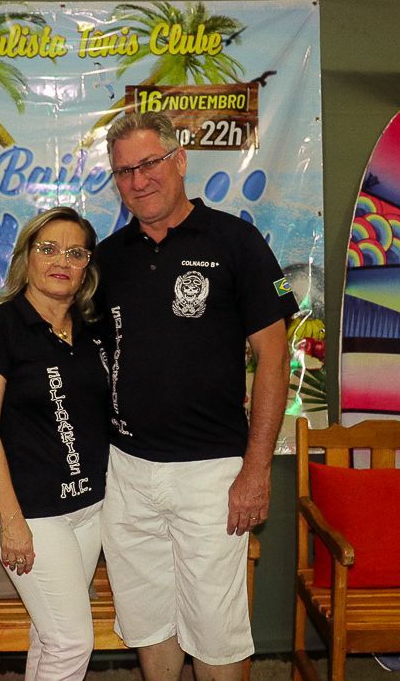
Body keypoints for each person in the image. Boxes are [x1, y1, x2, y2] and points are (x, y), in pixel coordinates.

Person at [95, 111, 299, 680]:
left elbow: (274, 357)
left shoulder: (237, 241)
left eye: (149, 164)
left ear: (180, 160)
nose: (138, 180)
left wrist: (256, 470)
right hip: (127, 472)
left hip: (212, 475)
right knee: (148, 621)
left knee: (216, 630)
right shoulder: (108, 259)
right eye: (124, 171)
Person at [0, 206, 109, 680]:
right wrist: (12, 521)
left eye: (75, 253)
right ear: (27, 257)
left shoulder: (93, 330)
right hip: (31, 513)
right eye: (48, 249)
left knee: (50, 636)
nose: (61, 261)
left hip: (90, 509)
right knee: (71, 642)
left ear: (87, 268)